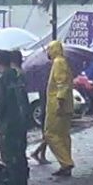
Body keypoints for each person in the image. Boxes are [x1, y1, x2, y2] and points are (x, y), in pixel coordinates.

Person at [0, 49, 30, 185]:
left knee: (8, 152)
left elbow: (1, 103)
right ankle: (22, 181)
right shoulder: (18, 76)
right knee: (20, 151)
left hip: (9, 121)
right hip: (21, 120)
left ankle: (12, 182)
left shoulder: (1, 79)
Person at [39, 41, 75, 177]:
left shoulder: (58, 63)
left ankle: (66, 162)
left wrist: (59, 103)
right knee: (63, 136)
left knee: (50, 134)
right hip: (65, 105)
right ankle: (66, 165)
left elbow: (62, 84)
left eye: (48, 49)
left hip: (57, 106)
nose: (47, 52)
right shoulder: (62, 62)